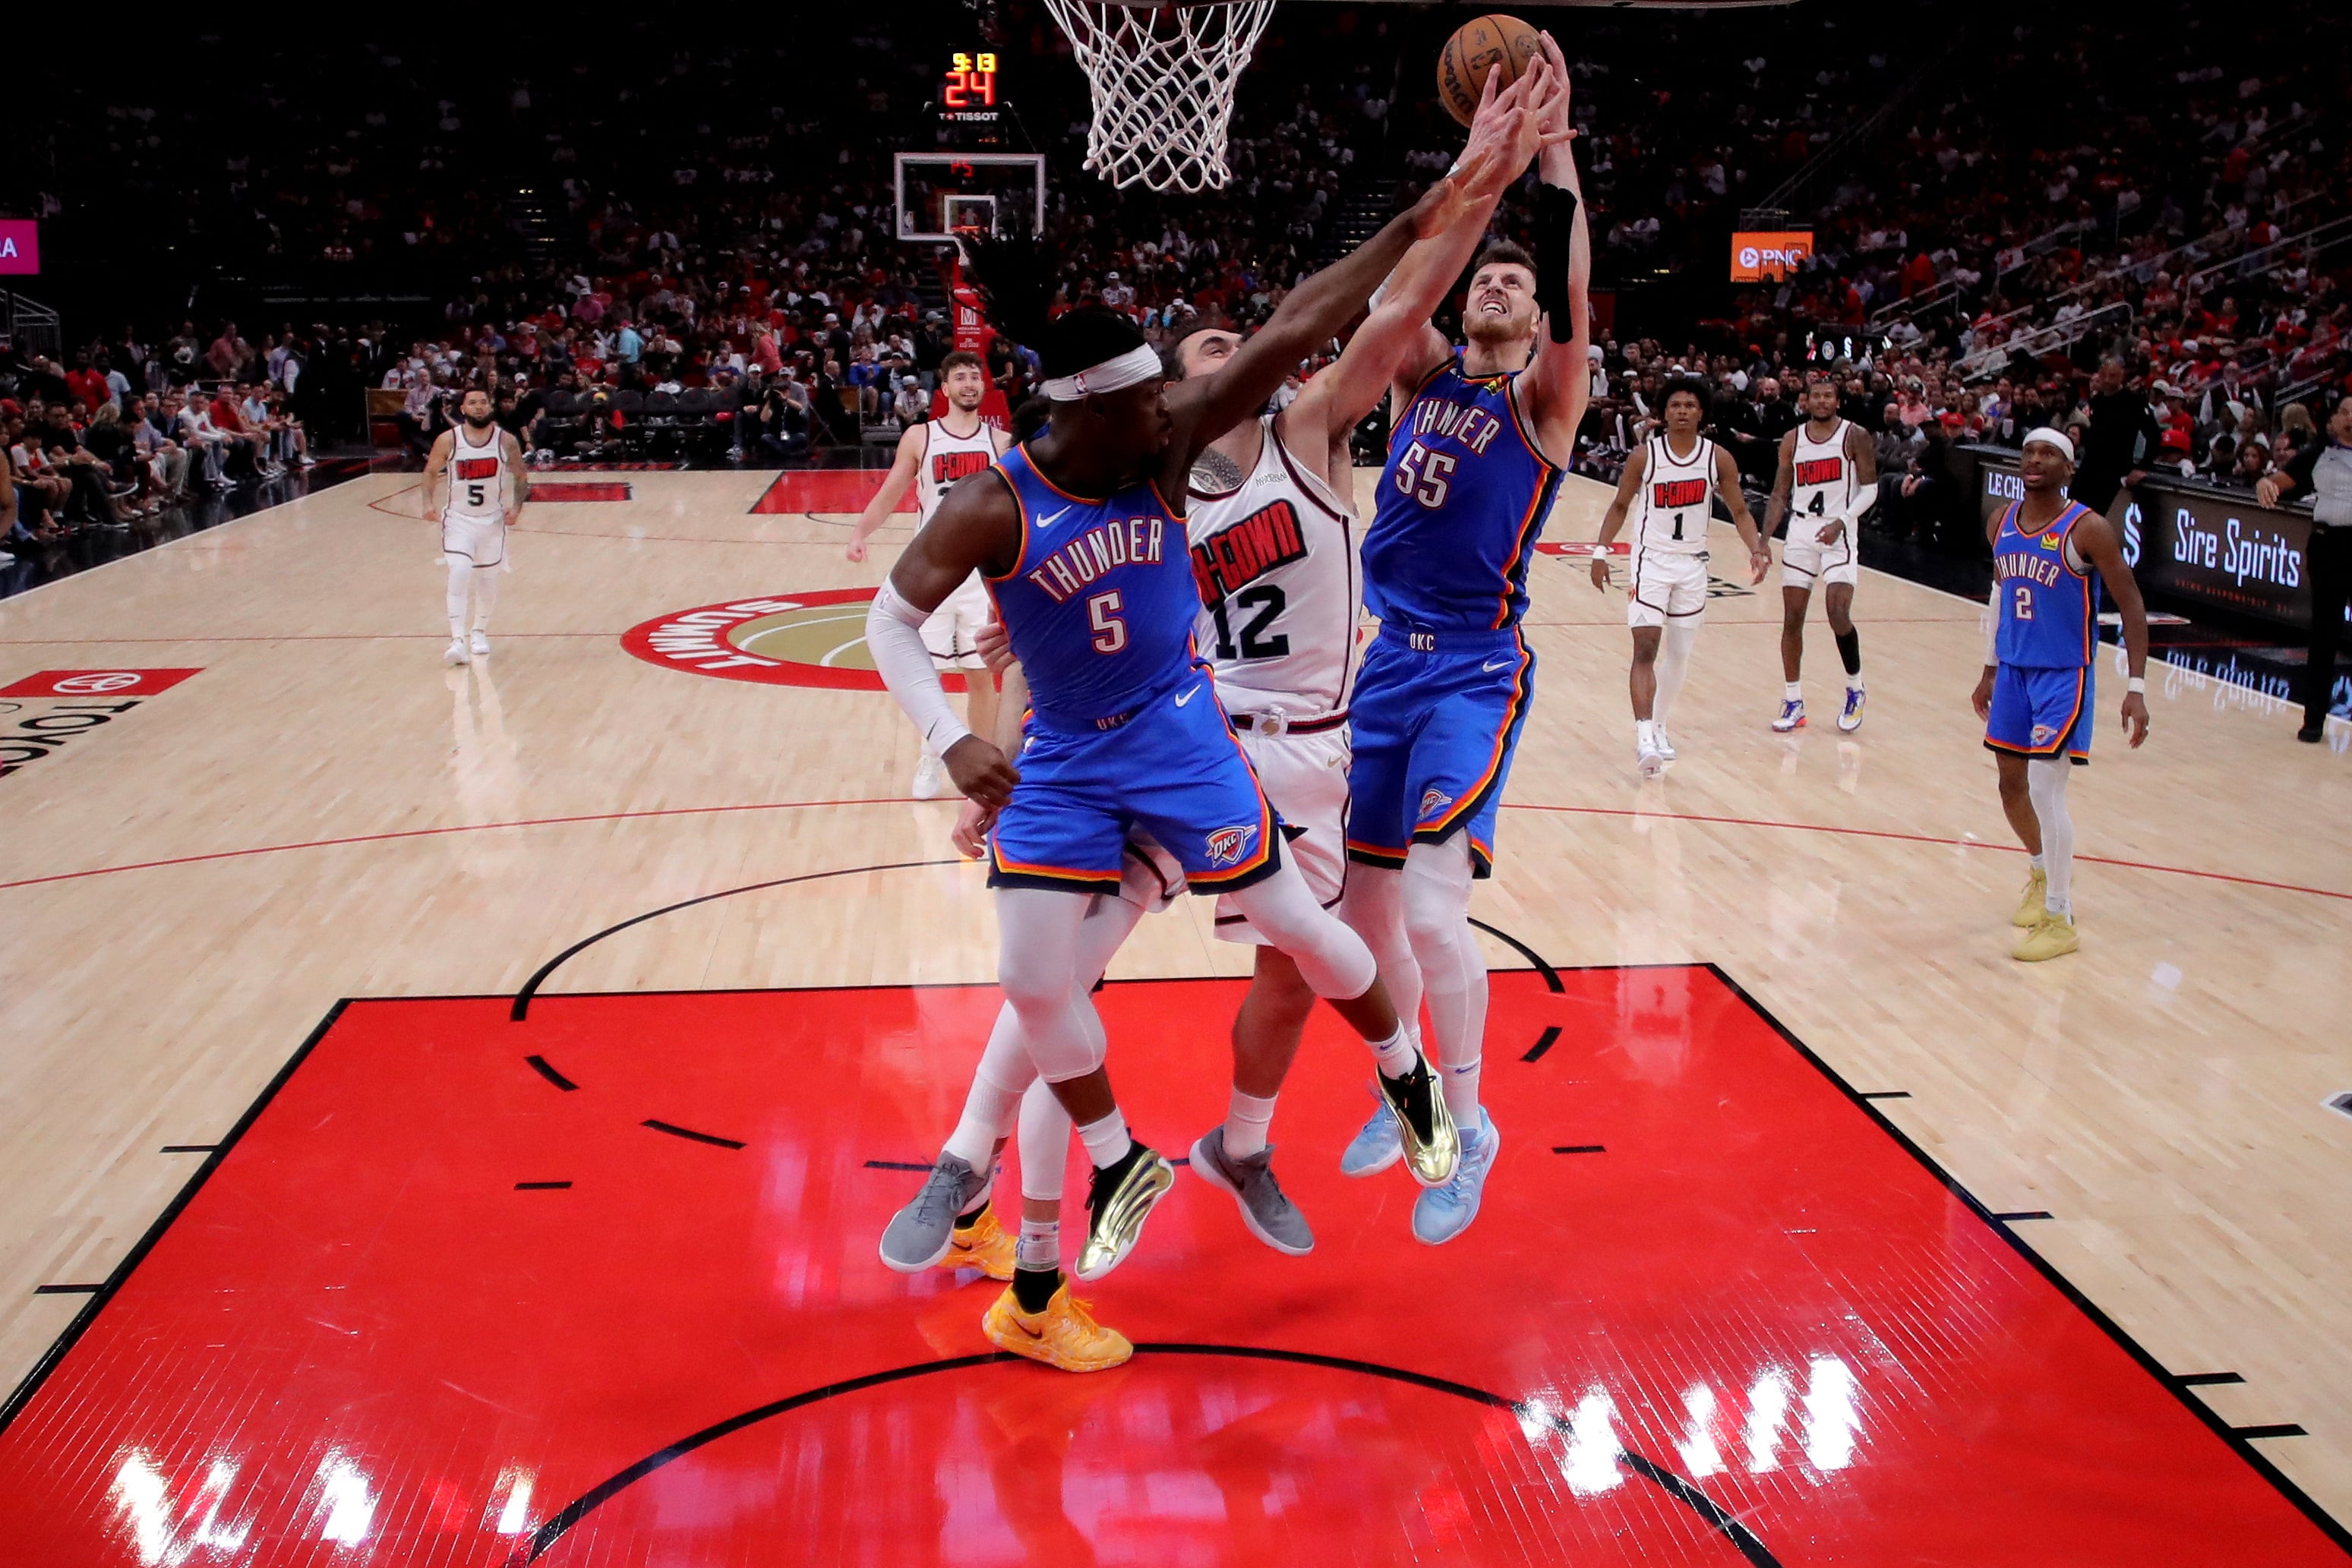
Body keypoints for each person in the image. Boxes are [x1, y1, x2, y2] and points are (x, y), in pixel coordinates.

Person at [865, 125, 1518, 1367]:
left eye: (1220, 358)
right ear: (1119, 400)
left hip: (1254, 752)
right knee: (1049, 978)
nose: (1208, 370)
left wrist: (1462, 189)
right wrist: (969, 745)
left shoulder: (1289, 431)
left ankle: (1249, 1142)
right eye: (1189, 360)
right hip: (1153, 745)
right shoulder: (1109, 476)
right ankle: (1003, 1213)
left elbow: (1350, 311)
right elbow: (974, 631)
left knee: (1289, 968)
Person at [1335, 30, 1591, 1247]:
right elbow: (1409, 294)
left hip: (1475, 671)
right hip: (1384, 662)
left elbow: (1580, 297)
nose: (1494, 286)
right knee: (1366, 919)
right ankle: (1408, 1090)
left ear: (1536, 323)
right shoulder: (1422, 377)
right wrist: (1471, 169)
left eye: (1513, 285)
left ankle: (1471, 1126)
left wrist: (1556, 165)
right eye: (1485, 280)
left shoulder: (1542, 404)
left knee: (1434, 917)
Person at [1972, 428, 2152, 961]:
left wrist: (2135, 688)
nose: (2034, 459)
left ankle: (2060, 915)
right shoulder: (2000, 520)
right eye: (2028, 451)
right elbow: (2001, 593)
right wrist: (1987, 668)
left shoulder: (2088, 527)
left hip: (2062, 674)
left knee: (2046, 789)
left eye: (2047, 453)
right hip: (2012, 671)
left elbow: (2133, 605)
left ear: (2067, 468)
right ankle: (2039, 871)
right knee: (2009, 785)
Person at [847, 351, 1012, 799]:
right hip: (934, 571)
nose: (969, 384)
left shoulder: (1000, 442)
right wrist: (861, 532)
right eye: (959, 377)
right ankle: (930, 756)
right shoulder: (921, 436)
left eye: (975, 377)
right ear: (944, 389)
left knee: (981, 675)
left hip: (982, 576)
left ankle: (986, 761)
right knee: (930, 674)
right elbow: (890, 492)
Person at [1589, 378, 1773, 775]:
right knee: (1645, 648)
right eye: (1675, 405)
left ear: (1702, 412)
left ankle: (1659, 724)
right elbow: (1620, 505)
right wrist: (1601, 551)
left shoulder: (1718, 458)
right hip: (1650, 561)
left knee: (1680, 652)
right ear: (1664, 412)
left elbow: (1740, 511)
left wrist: (1756, 548)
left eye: (1690, 404)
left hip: (1693, 563)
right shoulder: (1645, 455)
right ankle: (1643, 738)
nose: (1683, 411)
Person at [1764, 377, 1878, 732]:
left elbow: (1871, 489)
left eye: (1829, 395)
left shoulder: (1854, 436)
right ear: (1807, 400)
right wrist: (1763, 541)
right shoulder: (1792, 439)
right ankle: (1793, 700)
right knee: (1792, 619)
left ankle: (1856, 688)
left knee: (1837, 612)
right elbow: (1779, 493)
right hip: (1800, 530)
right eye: (1817, 395)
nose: (1823, 401)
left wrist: (1842, 522)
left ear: (1838, 401)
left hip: (1838, 529)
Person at [2256, 393, 2352, 742]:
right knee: (2325, 632)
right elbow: (2278, 482)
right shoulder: (2319, 452)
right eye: (2344, 412)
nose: (2348, 419)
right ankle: (2314, 719)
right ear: (2335, 419)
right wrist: (2264, 484)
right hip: (2328, 545)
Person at [419, 387, 528, 667]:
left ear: (490, 407)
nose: (479, 407)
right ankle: (457, 640)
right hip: (458, 520)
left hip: (492, 521)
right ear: (463, 409)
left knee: (487, 580)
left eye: (483, 402)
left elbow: (520, 475)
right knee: (459, 570)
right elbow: (431, 471)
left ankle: (478, 632)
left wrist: (516, 508)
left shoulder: (506, 441)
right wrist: (427, 503)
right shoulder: (448, 439)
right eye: (473, 403)